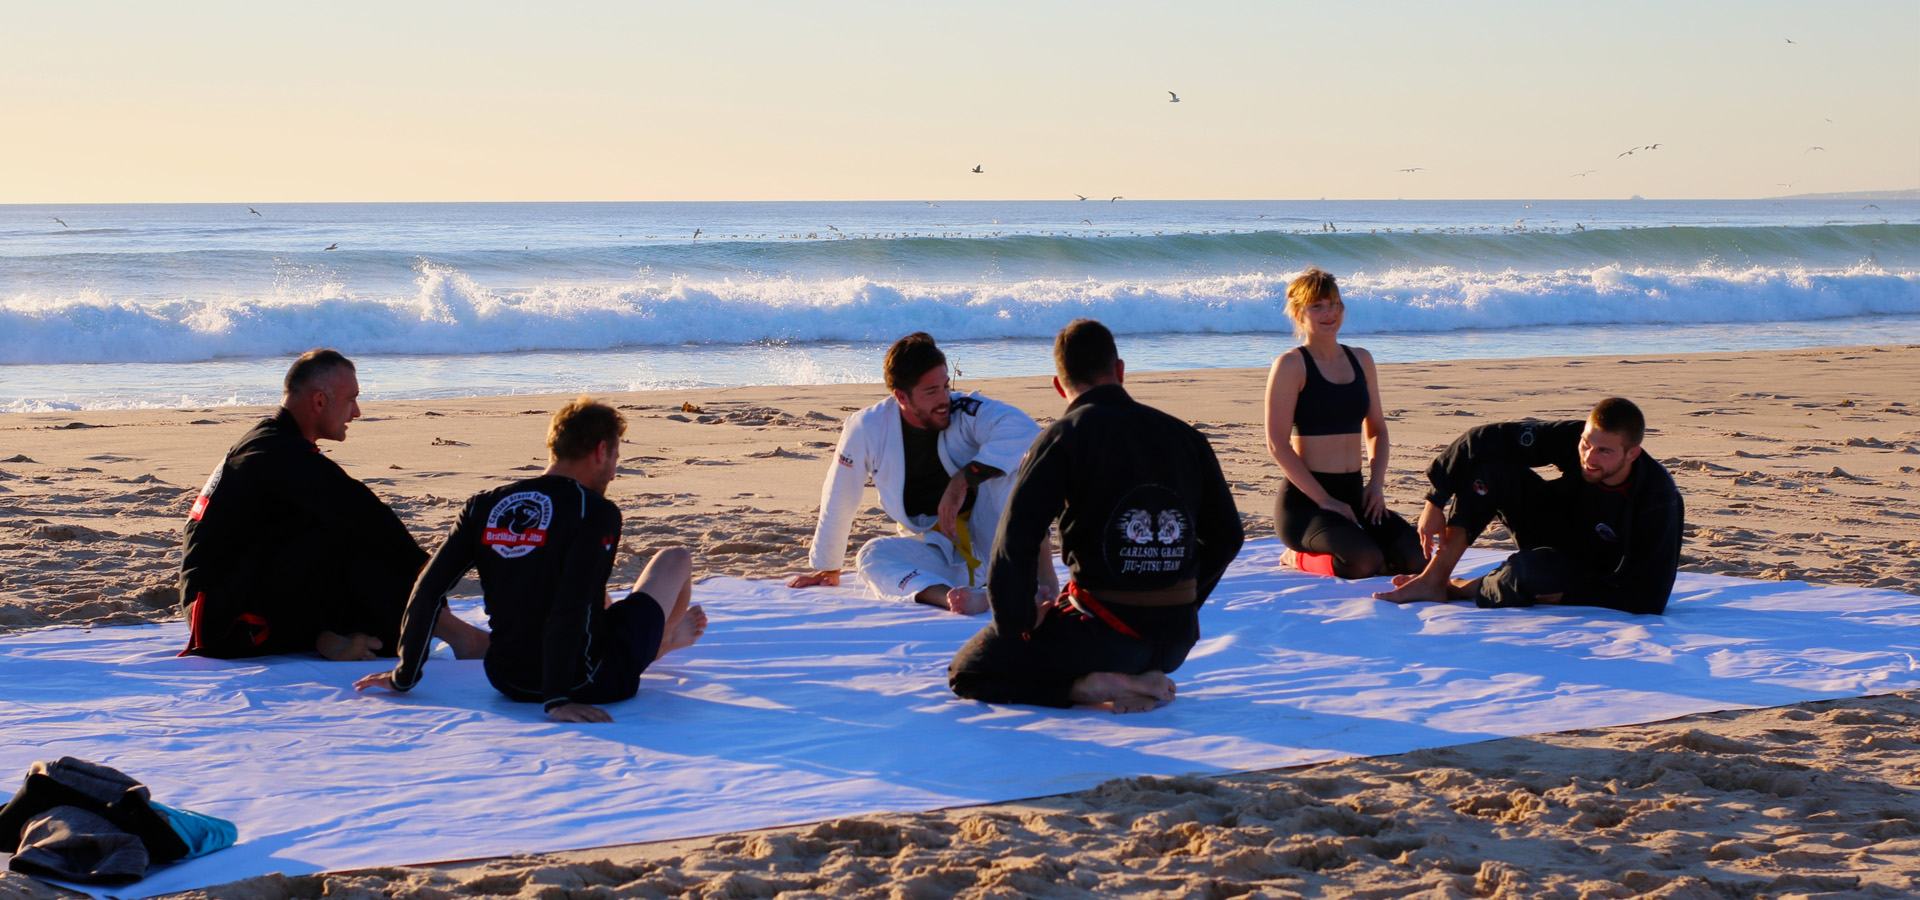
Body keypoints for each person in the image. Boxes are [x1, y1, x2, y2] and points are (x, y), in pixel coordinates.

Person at [948, 320, 1244, 713]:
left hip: (1105, 635)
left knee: (968, 672)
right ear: (1120, 371)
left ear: (1058, 385)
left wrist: (1019, 621)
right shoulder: (1185, 437)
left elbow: (1016, 538)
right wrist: (1182, 601)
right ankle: (1135, 676)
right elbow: (1227, 537)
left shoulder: (1063, 436)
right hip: (1176, 643)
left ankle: (1092, 686)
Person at [354, 398, 708, 723]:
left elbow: (428, 589)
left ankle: (650, 642)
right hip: (589, 680)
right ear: (601, 451)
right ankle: (659, 642)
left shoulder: (485, 503)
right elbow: (570, 604)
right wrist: (558, 699)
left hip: (508, 679)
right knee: (674, 559)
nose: (615, 472)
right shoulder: (595, 511)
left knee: (581, 590)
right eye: (616, 458)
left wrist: (405, 675)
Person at [178, 349, 488, 661]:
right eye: (351, 399)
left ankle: (328, 636)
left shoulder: (272, 442)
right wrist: (427, 571)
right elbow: (363, 511)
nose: (357, 412)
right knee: (356, 539)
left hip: (238, 596)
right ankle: (460, 636)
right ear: (320, 402)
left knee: (355, 544)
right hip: (224, 622)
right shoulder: (277, 454)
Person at [788, 332, 1041, 614]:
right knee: (872, 555)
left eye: (945, 386)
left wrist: (963, 480)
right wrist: (828, 565)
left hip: (995, 541)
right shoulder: (867, 428)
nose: (944, 398)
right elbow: (840, 494)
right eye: (931, 392)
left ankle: (1011, 579)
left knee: (1012, 468)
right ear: (901, 396)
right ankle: (952, 598)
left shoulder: (964, 411)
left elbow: (1026, 430)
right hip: (939, 551)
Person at [1373, 398, 1684, 615]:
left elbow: (1650, 597)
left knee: (1527, 573)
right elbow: (1483, 438)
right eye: (1586, 444)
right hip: (1549, 524)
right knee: (1490, 471)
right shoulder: (1574, 439)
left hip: (1580, 569)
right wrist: (1436, 498)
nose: (1589, 457)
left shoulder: (1657, 499)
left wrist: (1571, 597)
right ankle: (1433, 577)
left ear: (1632, 454)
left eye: (1604, 451)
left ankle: (1456, 590)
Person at [1264, 268, 1422, 579]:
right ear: (1298, 313)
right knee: (1365, 562)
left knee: (1416, 559)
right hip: (1307, 503)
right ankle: (1297, 557)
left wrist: (1376, 485)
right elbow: (1277, 444)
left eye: (1335, 304)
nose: (1329, 313)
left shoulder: (1361, 359)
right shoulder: (1291, 365)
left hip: (1355, 496)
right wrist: (1325, 500)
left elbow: (1376, 429)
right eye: (1317, 306)